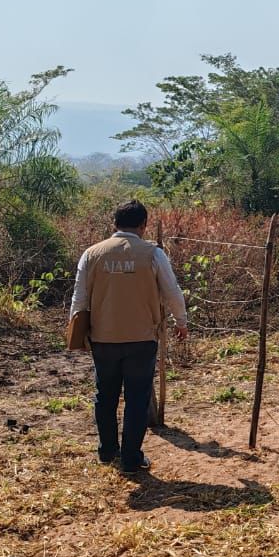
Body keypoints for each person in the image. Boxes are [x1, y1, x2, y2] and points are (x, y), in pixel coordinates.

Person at [70, 199, 187, 473]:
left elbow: (79, 298)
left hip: (103, 337)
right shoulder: (154, 254)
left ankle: (107, 452)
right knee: (137, 398)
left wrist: (77, 333)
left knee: (105, 396)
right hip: (142, 338)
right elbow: (172, 291)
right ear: (144, 224)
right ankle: (131, 459)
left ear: (114, 224)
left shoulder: (91, 254)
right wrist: (181, 321)